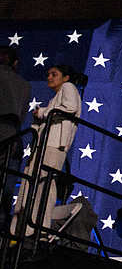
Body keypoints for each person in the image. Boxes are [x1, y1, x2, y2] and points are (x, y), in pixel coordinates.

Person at [18, 64, 84, 237]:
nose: (49, 77)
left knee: (44, 185)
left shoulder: (68, 88)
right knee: (32, 183)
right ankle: (23, 227)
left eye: (54, 74)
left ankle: (38, 228)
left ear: (66, 77)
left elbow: (69, 108)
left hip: (54, 146)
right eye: (48, 74)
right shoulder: (56, 97)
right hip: (45, 145)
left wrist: (42, 113)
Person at [0, 46, 27, 218]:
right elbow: (22, 116)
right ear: (15, 63)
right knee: (6, 188)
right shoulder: (25, 86)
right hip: (13, 138)